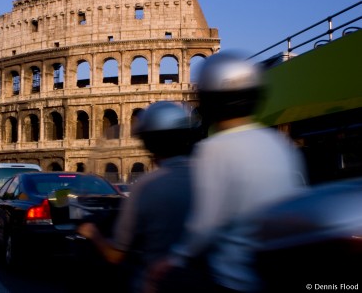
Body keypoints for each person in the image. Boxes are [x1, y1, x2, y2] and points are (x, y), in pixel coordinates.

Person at [146, 51, 308, 293]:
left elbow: (205, 225)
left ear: (208, 100)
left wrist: (175, 258)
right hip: (279, 269)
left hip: (235, 276)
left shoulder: (213, 149)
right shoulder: (278, 142)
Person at [77, 101, 203, 293]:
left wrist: (92, 232)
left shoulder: (146, 186)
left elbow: (115, 255)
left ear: (148, 142)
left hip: (156, 283)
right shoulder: (209, 176)